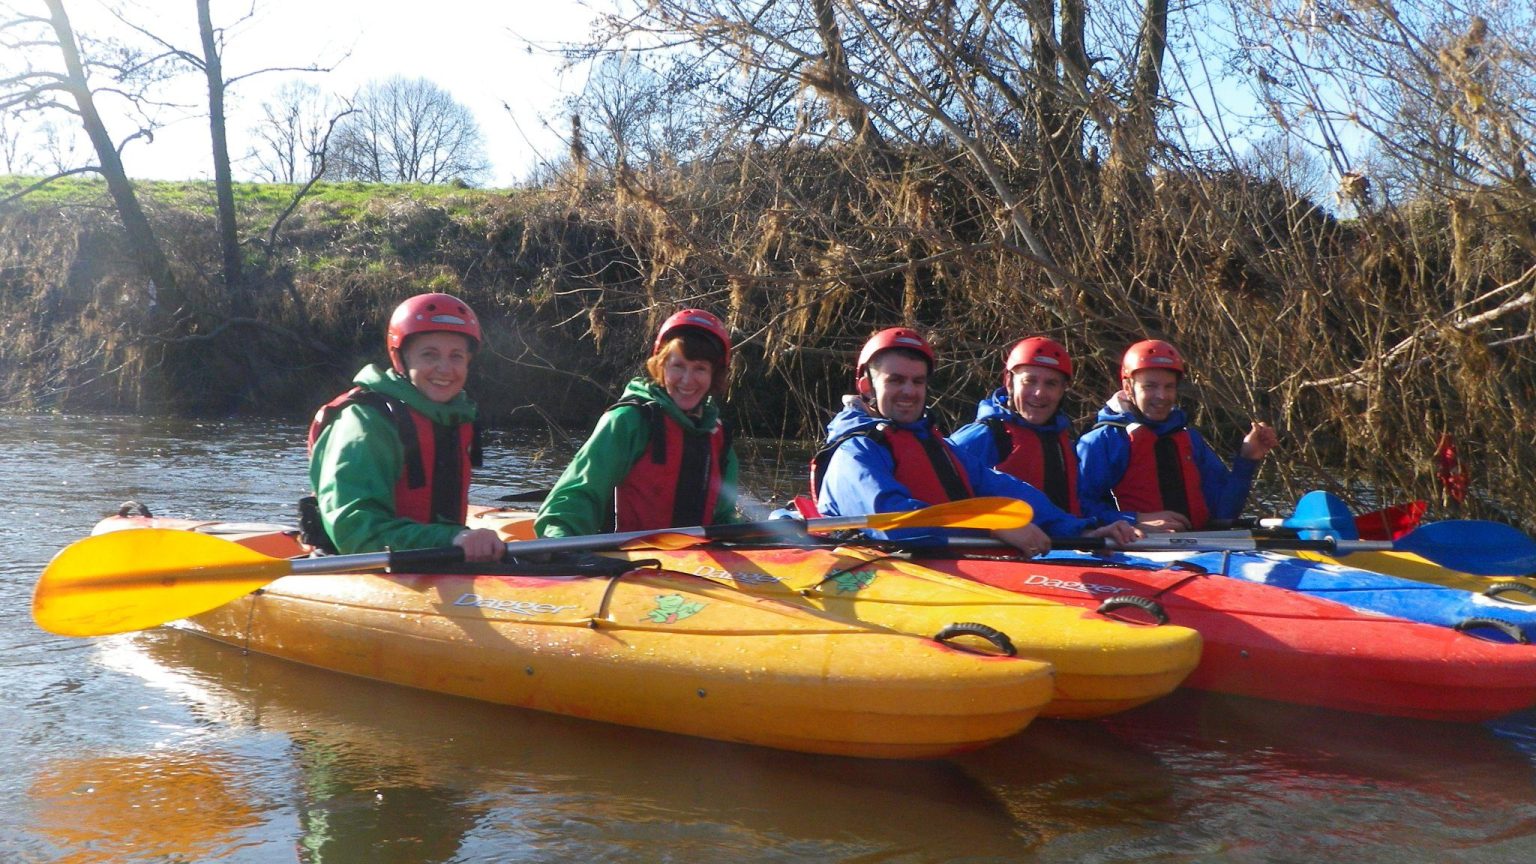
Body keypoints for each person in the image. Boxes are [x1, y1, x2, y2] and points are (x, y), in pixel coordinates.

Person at [812, 327, 1139, 556]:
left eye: (918, 381)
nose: (909, 391)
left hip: (950, 566)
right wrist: (991, 528)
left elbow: (1006, 492)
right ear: (866, 386)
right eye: (895, 380)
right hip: (886, 570)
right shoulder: (854, 451)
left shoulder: (937, 444)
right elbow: (892, 522)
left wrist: (1080, 530)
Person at [306, 292, 505, 561]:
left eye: (456, 356)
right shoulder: (364, 423)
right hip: (361, 567)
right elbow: (356, 531)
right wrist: (451, 539)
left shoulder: (454, 417)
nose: (444, 368)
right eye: (429, 354)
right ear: (401, 359)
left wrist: (455, 541)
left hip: (434, 563)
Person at [535, 309, 742, 538]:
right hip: (625, 560)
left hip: (692, 564)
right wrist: (558, 536)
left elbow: (723, 516)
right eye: (678, 366)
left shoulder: (718, 437)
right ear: (661, 366)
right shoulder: (628, 421)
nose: (687, 380)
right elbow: (579, 494)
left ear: (715, 374)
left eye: (700, 369)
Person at [1076, 339, 1280, 532]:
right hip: (1131, 554)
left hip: (1196, 552)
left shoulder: (1190, 439)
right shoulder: (1101, 442)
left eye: (1169, 387)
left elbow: (1223, 512)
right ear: (1128, 388)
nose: (1162, 396)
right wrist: (1136, 520)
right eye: (1150, 386)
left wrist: (1246, 460)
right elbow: (1077, 507)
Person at [949, 336, 1080, 515]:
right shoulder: (982, 436)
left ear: (1062, 390)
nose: (1039, 393)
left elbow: (1080, 505)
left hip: (1057, 541)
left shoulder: (1063, 443)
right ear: (1009, 382)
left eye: (1051, 384)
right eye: (1029, 381)